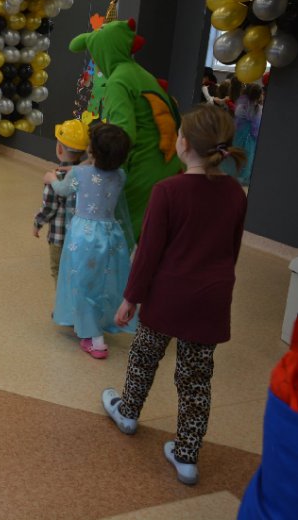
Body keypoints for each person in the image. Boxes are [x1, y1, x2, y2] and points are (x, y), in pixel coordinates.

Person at [102, 105, 247, 486]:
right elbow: (231, 250)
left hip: (167, 297)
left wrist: (130, 298)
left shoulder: (168, 190)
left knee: (144, 357)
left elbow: (148, 253)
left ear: (183, 145)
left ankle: (128, 412)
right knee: (196, 379)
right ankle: (186, 456)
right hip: (211, 298)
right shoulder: (235, 193)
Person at [69, 19, 183, 241]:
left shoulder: (118, 81)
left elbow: (121, 135)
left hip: (143, 168)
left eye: (96, 55)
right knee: (154, 233)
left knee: (125, 231)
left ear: (105, 52)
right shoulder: (140, 73)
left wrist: (93, 167)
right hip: (169, 164)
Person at [44, 122, 136, 358]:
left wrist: (51, 178)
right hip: (111, 235)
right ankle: (96, 319)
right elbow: (97, 174)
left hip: (83, 238)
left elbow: (63, 190)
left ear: (92, 151)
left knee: (81, 281)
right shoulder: (120, 175)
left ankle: (94, 338)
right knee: (103, 281)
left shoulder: (79, 174)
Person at [33, 113, 89, 284]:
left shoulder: (54, 177)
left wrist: (37, 223)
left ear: (59, 149)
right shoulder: (88, 175)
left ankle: (62, 300)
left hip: (59, 236)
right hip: (81, 236)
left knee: (58, 270)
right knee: (77, 270)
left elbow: (49, 207)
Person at [232, 82, 263, 185]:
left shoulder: (241, 107)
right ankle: (243, 177)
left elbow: (237, 115)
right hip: (251, 137)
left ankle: (236, 175)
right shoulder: (258, 109)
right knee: (248, 156)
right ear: (258, 95)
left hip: (240, 134)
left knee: (237, 154)